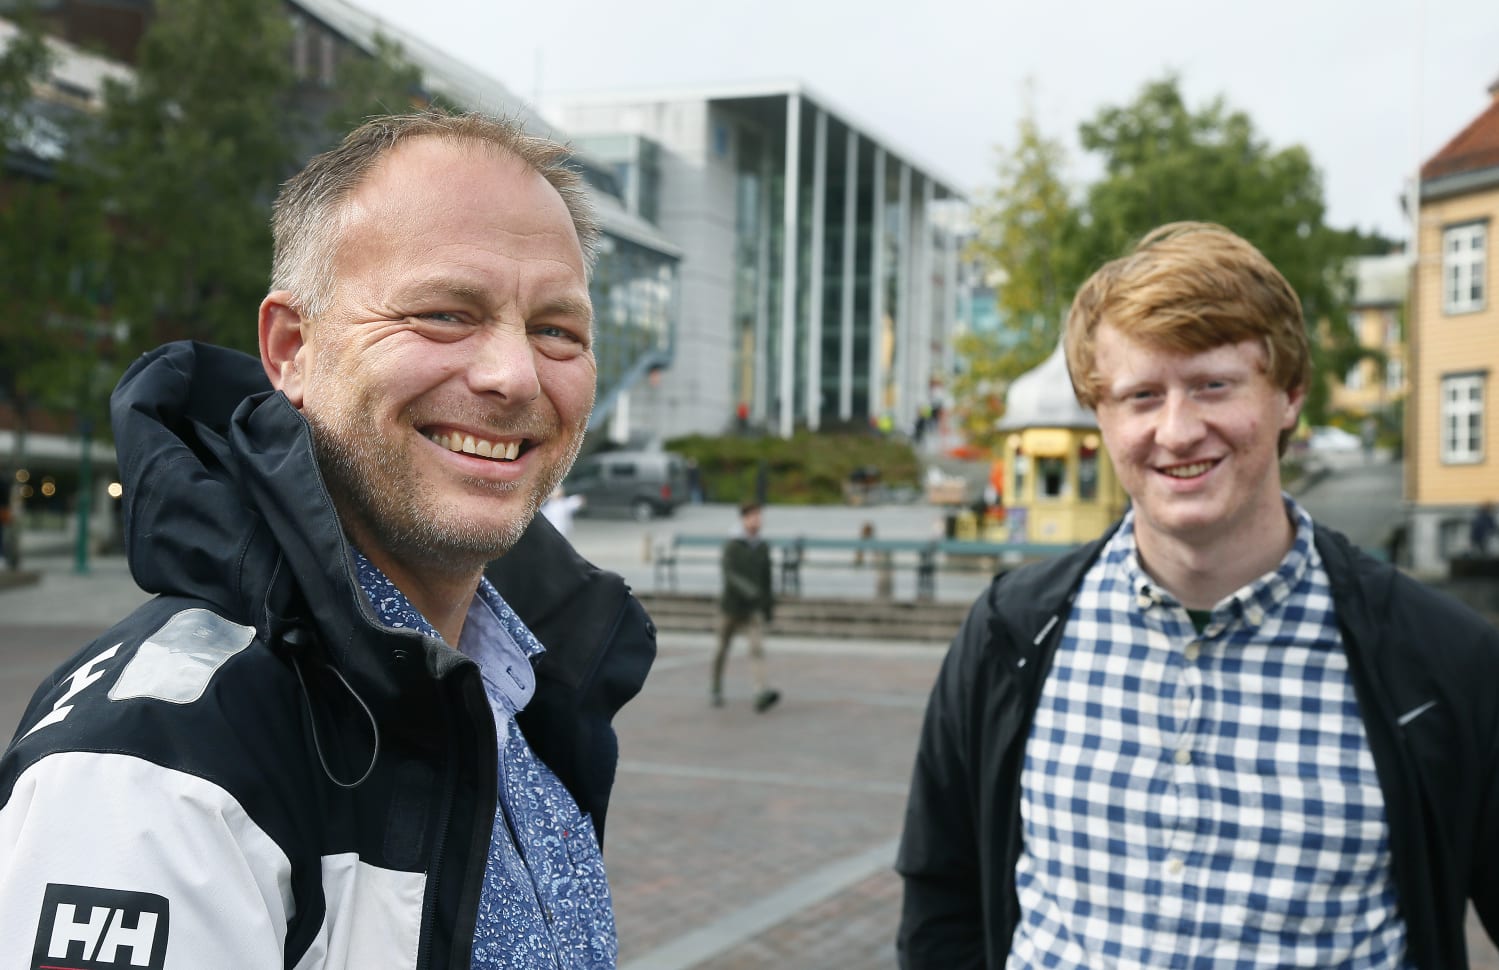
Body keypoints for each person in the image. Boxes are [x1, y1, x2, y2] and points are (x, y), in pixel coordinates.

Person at [0, 111, 656, 967]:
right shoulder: (150, 771)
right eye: (443, 313)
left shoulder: (525, 695)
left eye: (557, 330)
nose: (515, 375)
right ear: (291, 350)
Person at [896, 222, 1499, 969]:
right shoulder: (1011, 635)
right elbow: (942, 897)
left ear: (1289, 395)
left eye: (1213, 385)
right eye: (1141, 396)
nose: (1177, 431)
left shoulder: (1440, 661)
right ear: (1101, 416)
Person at [710, 501, 779, 712]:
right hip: (731, 607)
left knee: (757, 649)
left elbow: (767, 578)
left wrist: (768, 608)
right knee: (722, 648)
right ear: (744, 519)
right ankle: (716, 688)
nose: (757, 521)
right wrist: (749, 590)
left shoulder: (762, 546)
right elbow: (729, 574)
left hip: (753, 609)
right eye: (753, 516)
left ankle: (761, 692)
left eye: (759, 516)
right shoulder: (732, 544)